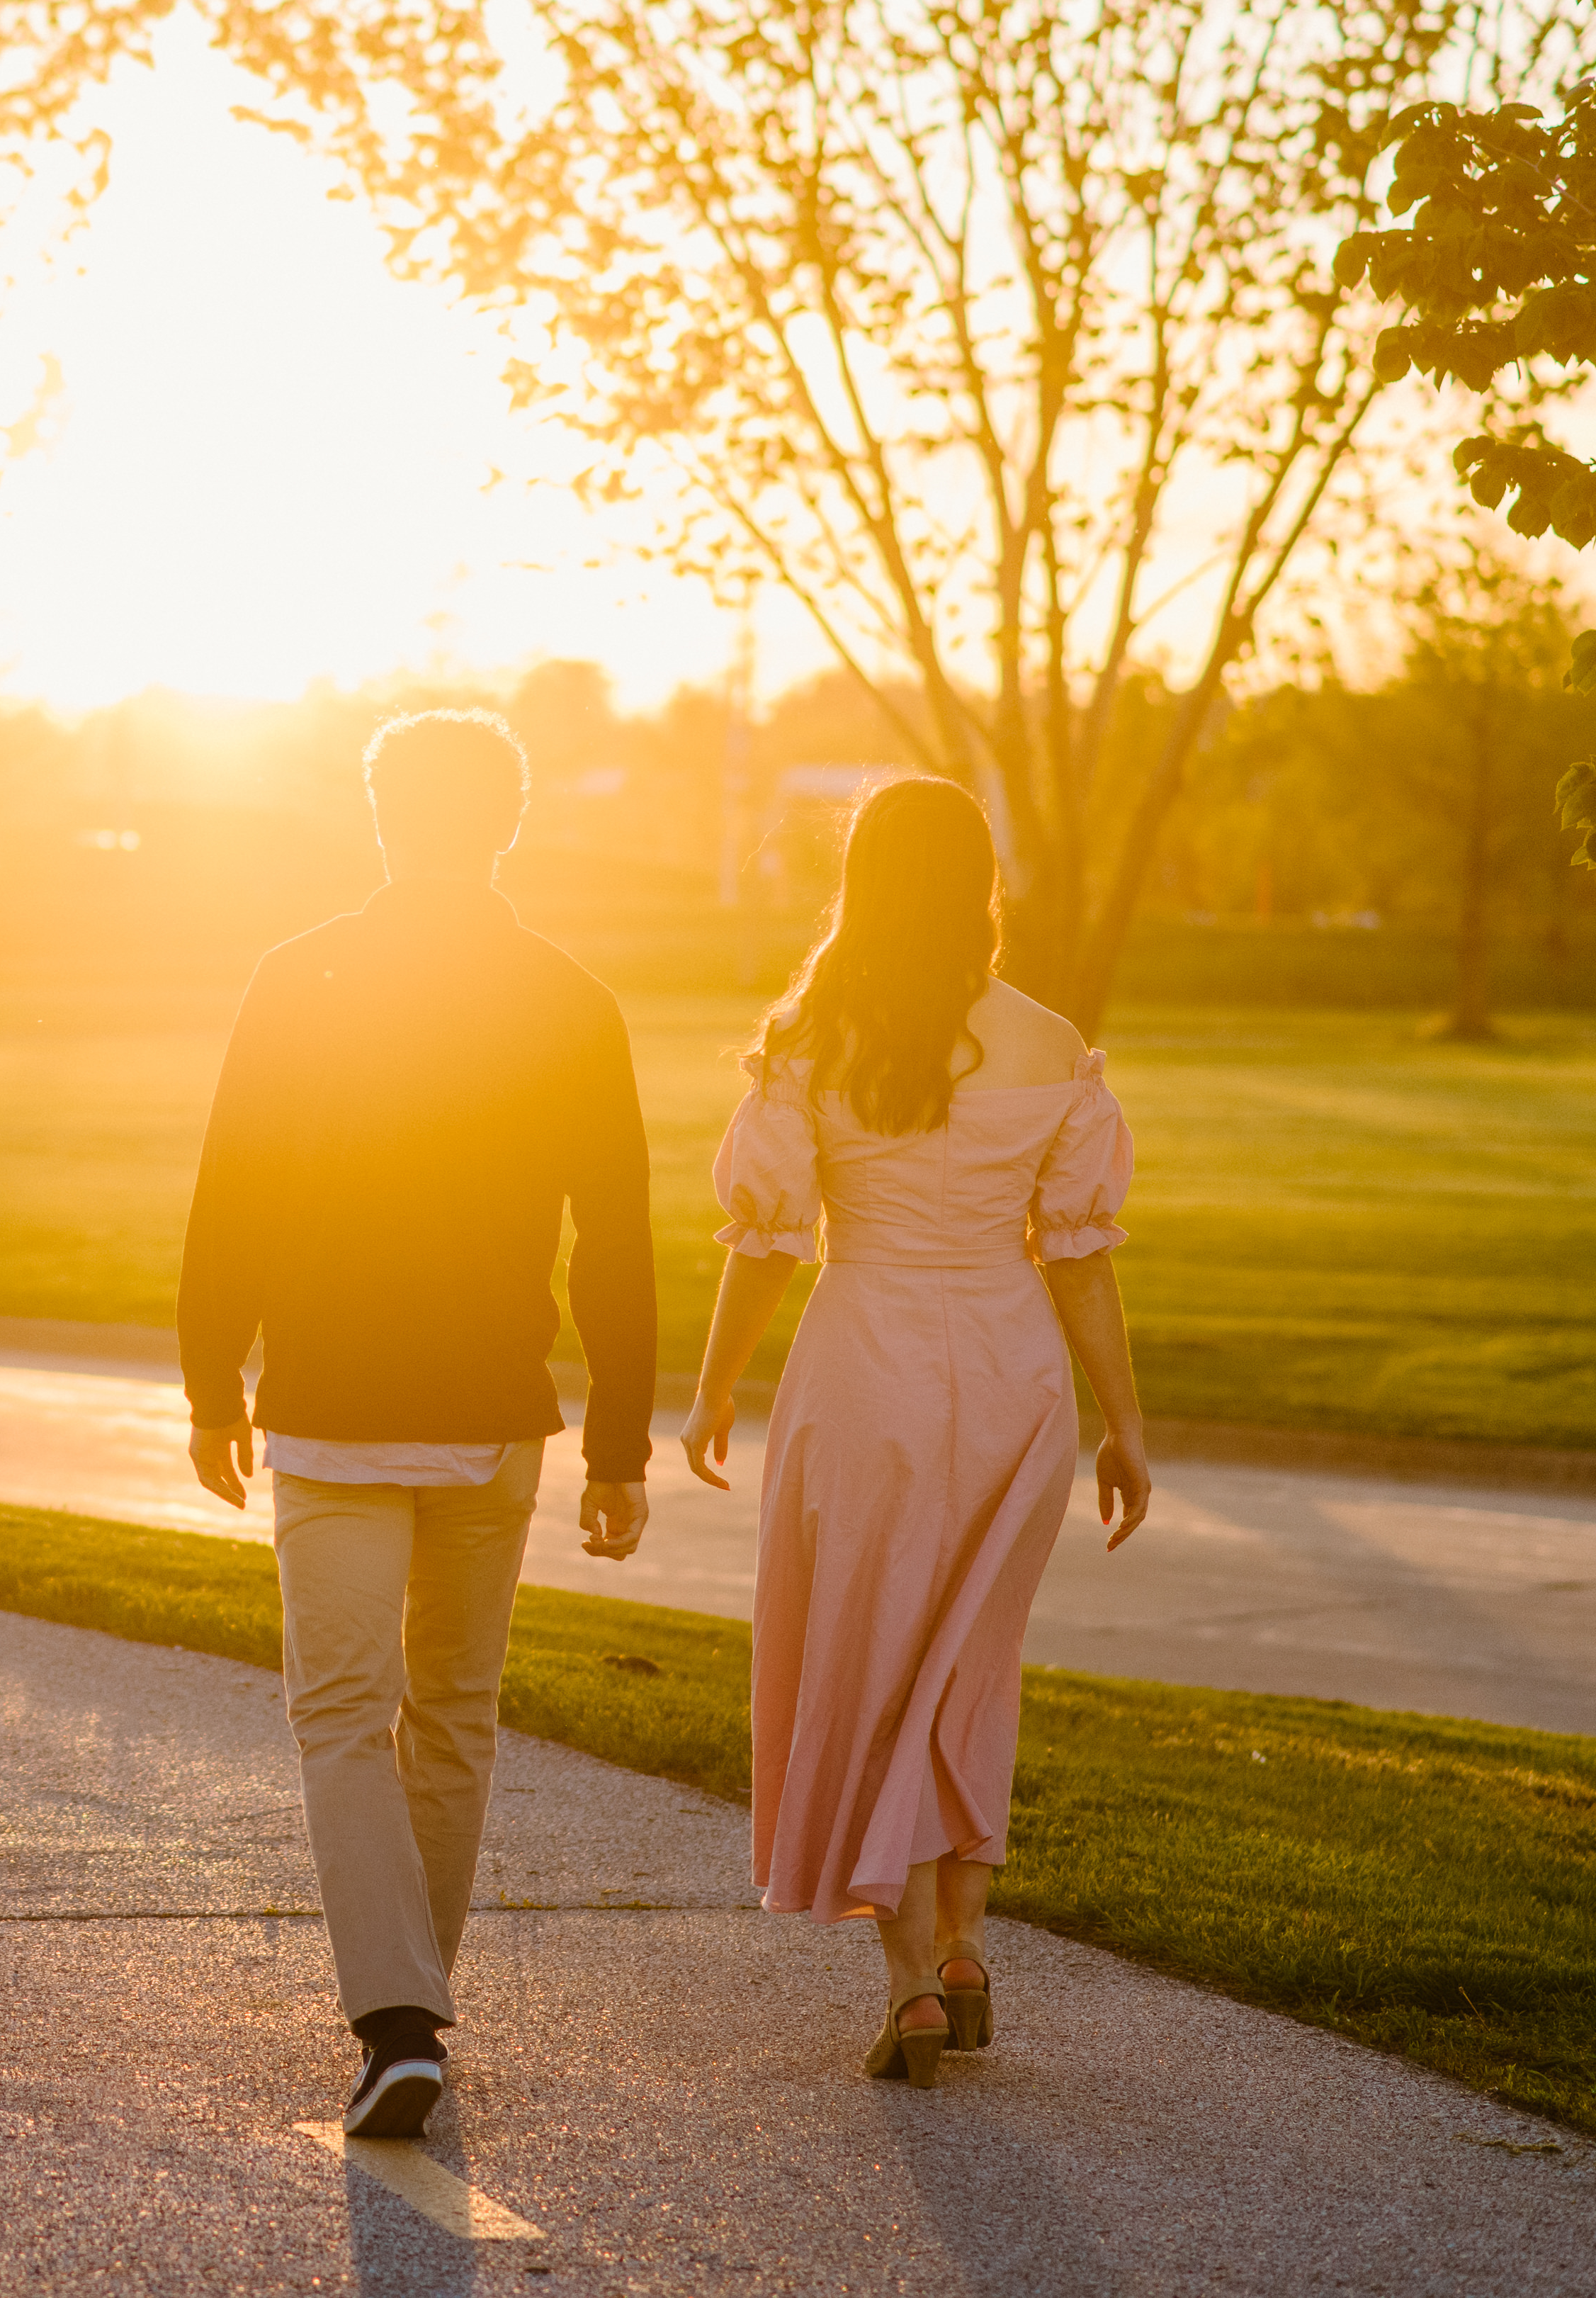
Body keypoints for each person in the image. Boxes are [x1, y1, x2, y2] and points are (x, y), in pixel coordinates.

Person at [177, 709, 660, 2143]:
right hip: (488, 1414)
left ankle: (398, 2020)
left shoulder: (296, 975)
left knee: (339, 1715)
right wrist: (620, 1440)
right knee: (448, 1717)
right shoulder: (569, 995)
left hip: (329, 1407)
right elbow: (615, 1240)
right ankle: (410, 2012)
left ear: (379, 816)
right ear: (506, 822)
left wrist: (212, 1383)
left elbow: (232, 1195)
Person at [679, 776, 1150, 2088]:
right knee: (969, 1664)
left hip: (865, 1368)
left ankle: (908, 1983)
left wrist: (714, 1385)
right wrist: (1124, 1426)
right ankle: (963, 1942)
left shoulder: (814, 1036)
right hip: (1012, 1376)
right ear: (981, 882)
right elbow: (1081, 1260)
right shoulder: (1053, 1045)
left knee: (872, 1657)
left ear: (863, 882)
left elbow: (766, 1241)